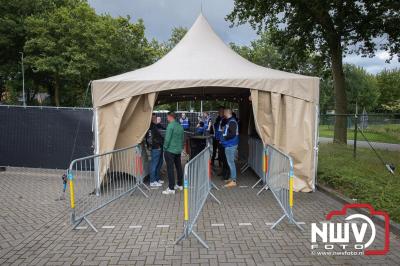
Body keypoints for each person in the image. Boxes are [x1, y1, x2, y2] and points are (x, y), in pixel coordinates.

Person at [162, 111, 184, 195]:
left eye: (167, 117)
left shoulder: (170, 126)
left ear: (171, 117)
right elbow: (182, 138)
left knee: (170, 169)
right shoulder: (180, 126)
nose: (167, 118)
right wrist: (181, 148)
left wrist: (164, 147)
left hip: (170, 150)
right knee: (178, 167)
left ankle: (171, 188)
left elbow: (167, 139)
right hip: (178, 150)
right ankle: (179, 184)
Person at [221, 108, 239, 188]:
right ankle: (232, 178)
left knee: (231, 163)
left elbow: (232, 134)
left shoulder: (232, 121)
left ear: (227, 112)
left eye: (224, 112)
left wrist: (224, 137)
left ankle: (233, 180)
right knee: (230, 162)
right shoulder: (230, 121)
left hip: (231, 145)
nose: (223, 113)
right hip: (229, 144)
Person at [146, 114, 164, 188]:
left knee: (159, 162)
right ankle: (152, 181)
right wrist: (158, 144)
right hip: (156, 147)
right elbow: (151, 139)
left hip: (158, 146)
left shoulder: (155, 126)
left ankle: (157, 179)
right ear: (152, 118)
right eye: (154, 117)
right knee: (154, 164)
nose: (156, 118)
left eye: (156, 117)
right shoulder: (151, 127)